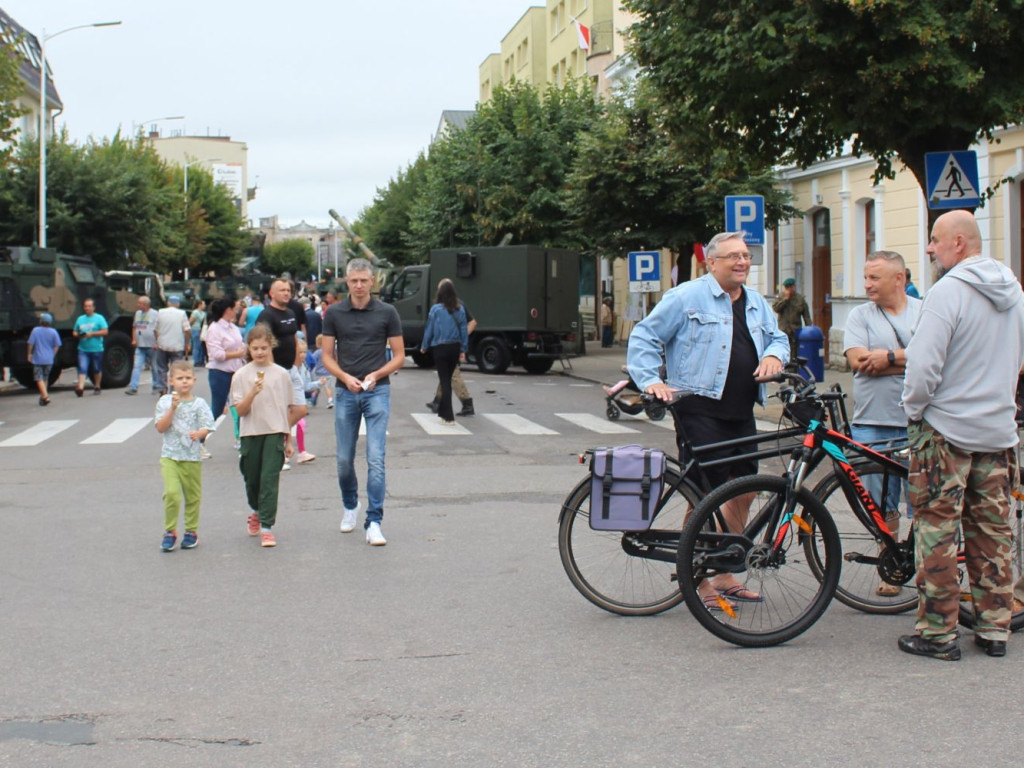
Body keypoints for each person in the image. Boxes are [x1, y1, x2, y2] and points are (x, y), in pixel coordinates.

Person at [628, 231, 788, 609]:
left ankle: (724, 572)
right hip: (699, 408)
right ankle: (695, 577)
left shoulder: (756, 303)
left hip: (741, 410)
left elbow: (778, 337)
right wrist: (652, 381)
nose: (741, 262)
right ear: (710, 262)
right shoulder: (686, 297)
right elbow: (645, 336)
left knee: (745, 490)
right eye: (732, 256)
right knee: (704, 494)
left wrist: (774, 357)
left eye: (746, 255)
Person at [900, 209, 1024, 660]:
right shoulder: (1013, 292)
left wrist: (915, 411)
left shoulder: (947, 292)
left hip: (946, 433)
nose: (930, 248)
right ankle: (994, 629)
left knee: (937, 532)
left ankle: (937, 635)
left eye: (934, 240)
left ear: (958, 243)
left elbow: (923, 365)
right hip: (998, 431)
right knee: (993, 533)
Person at [843, 250, 923, 596]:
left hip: (918, 420)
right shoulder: (859, 315)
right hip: (872, 421)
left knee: (924, 500)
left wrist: (888, 357)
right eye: (866, 277)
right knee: (879, 503)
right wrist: (911, 361)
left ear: (899, 279)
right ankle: (888, 565)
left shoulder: (926, 312)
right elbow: (858, 361)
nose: (867, 284)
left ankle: (926, 567)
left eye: (874, 278)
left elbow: (940, 359)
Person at [321, 258, 405, 546]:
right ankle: (350, 504)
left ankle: (374, 521)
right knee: (344, 460)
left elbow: (398, 356)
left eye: (363, 280)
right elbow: (327, 356)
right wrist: (345, 377)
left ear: (372, 282)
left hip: (377, 390)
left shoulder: (387, 312)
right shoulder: (334, 313)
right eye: (353, 280)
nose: (358, 285)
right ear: (347, 282)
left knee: (375, 458)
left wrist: (377, 374)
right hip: (346, 391)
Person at [230, 324, 294, 548]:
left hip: (274, 431)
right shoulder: (240, 375)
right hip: (250, 432)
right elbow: (239, 411)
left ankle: (267, 526)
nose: (259, 352)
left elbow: (287, 408)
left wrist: (289, 439)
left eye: (264, 348)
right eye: (255, 348)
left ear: (271, 347)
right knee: (251, 478)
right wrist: (252, 393)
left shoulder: (281, 374)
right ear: (248, 348)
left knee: (269, 479)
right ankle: (256, 510)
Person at [154, 360, 215, 552]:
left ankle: (191, 531)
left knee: (192, 496)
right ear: (171, 381)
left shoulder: (199, 403)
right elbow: (160, 428)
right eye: (180, 378)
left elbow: (208, 425)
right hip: (170, 456)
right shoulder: (164, 402)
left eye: (188, 378)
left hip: (192, 457)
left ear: (194, 380)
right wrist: (172, 408)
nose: (184, 382)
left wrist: (200, 434)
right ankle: (170, 531)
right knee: (172, 493)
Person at [420, 279, 469, 425]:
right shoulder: (460, 309)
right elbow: (463, 331)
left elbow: (429, 329)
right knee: (447, 380)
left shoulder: (435, 310)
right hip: (454, 348)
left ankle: (449, 417)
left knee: (445, 381)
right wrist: (463, 349)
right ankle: (443, 412)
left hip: (440, 347)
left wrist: (424, 345)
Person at [204, 295, 247, 431]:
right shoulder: (214, 328)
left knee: (241, 406)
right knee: (217, 409)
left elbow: (240, 344)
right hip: (220, 372)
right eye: (235, 309)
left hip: (237, 371)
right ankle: (200, 439)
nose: (237, 311)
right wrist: (237, 354)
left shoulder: (232, 327)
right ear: (228, 310)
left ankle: (241, 438)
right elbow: (217, 354)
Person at [427, 306, 478, 416]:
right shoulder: (446, 305)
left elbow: (472, 323)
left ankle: (467, 403)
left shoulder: (457, 305)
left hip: (452, 345)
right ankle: (437, 402)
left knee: (453, 374)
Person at [257, 278, 300, 371]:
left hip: (292, 369)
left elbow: (295, 339)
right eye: (282, 290)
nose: (286, 293)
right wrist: (273, 370)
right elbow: (264, 345)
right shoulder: (266, 315)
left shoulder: (291, 313)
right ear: (272, 294)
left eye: (288, 290)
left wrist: (296, 366)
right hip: (275, 369)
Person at [153, 295, 191, 396]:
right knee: (176, 369)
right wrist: (187, 343)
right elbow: (187, 330)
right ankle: (174, 390)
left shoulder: (160, 312)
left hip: (162, 345)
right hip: (177, 346)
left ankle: (163, 389)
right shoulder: (182, 313)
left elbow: (155, 329)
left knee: (161, 368)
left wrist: (158, 341)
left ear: (168, 303)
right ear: (178, 304)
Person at [72, 298, 108, 396]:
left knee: (96, 369)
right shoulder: (80, 319)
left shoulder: (99, 318)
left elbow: (105, 331)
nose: (87, 308)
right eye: (85, 306)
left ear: (93, 307)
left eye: (89, 306)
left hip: (97, 349)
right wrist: (77, 334)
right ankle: (80, 388)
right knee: (82, 367)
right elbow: (75, 330)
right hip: (83, 349)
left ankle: (97, 386)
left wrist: (92, 334)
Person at [772, 277, 812, 363]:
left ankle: (793, 372)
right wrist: (785, 300)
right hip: (783, 331)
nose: (789, 289)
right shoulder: (781, 297)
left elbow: (806, 316)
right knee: (783, 352)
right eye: (787, 287)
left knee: (794, 355)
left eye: (791, 287)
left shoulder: (800, 299)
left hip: (795, 330)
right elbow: (776, 308)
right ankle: (783, 370)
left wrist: (809, 330)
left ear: (794, 287)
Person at [125, 296, 158, 396]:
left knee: (154, 366)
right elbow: (134, 327)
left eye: (139, 303)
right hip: (140, 345)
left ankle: (156, 386)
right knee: (136, 366)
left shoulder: (155, 314)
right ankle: (133, 387)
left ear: (145, 304)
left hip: (152, 345)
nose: (137, 305)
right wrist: (134, 339)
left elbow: (158, 328)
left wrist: (157, 342)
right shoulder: (137, 313)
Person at [26, 313, 61, 406]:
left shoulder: (35, 330)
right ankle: (43, 396)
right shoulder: (53, 332)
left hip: (38, 359)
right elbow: (57, 345)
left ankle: (45, 396)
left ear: (41, 321)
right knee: (45, 378)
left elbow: (30, 343)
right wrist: (52, 354)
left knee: (38, 378)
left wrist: (29, 353)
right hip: (49, 359)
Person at [312, 334, 335, 409]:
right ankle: (330, 400)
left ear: (318, 344)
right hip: (329, 372)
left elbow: (312, 360)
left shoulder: (318, 352)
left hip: (319, 373)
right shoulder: (330, 351)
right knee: (328, 387)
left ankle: (314, 396)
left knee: (317, 385)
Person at [189, 299, 207, 367]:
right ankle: (196, 361)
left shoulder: (203, 313)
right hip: (195, 329)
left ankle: (201, 360)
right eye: (203, 304)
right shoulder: (195, 312)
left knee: (201, 346)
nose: (205, 305)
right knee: (196, 346)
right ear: (199, 305)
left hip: (201, 330)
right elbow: (191, 321)